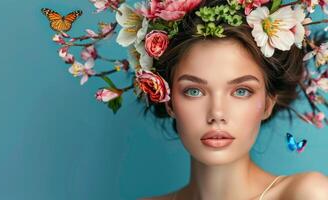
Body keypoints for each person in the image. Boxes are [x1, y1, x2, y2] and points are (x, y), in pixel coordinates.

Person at [136, 0, 328, 199]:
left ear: (268, 104)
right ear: (169, 102)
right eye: (194, 91)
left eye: (241, 91)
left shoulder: (307, 194)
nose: (217, 114)